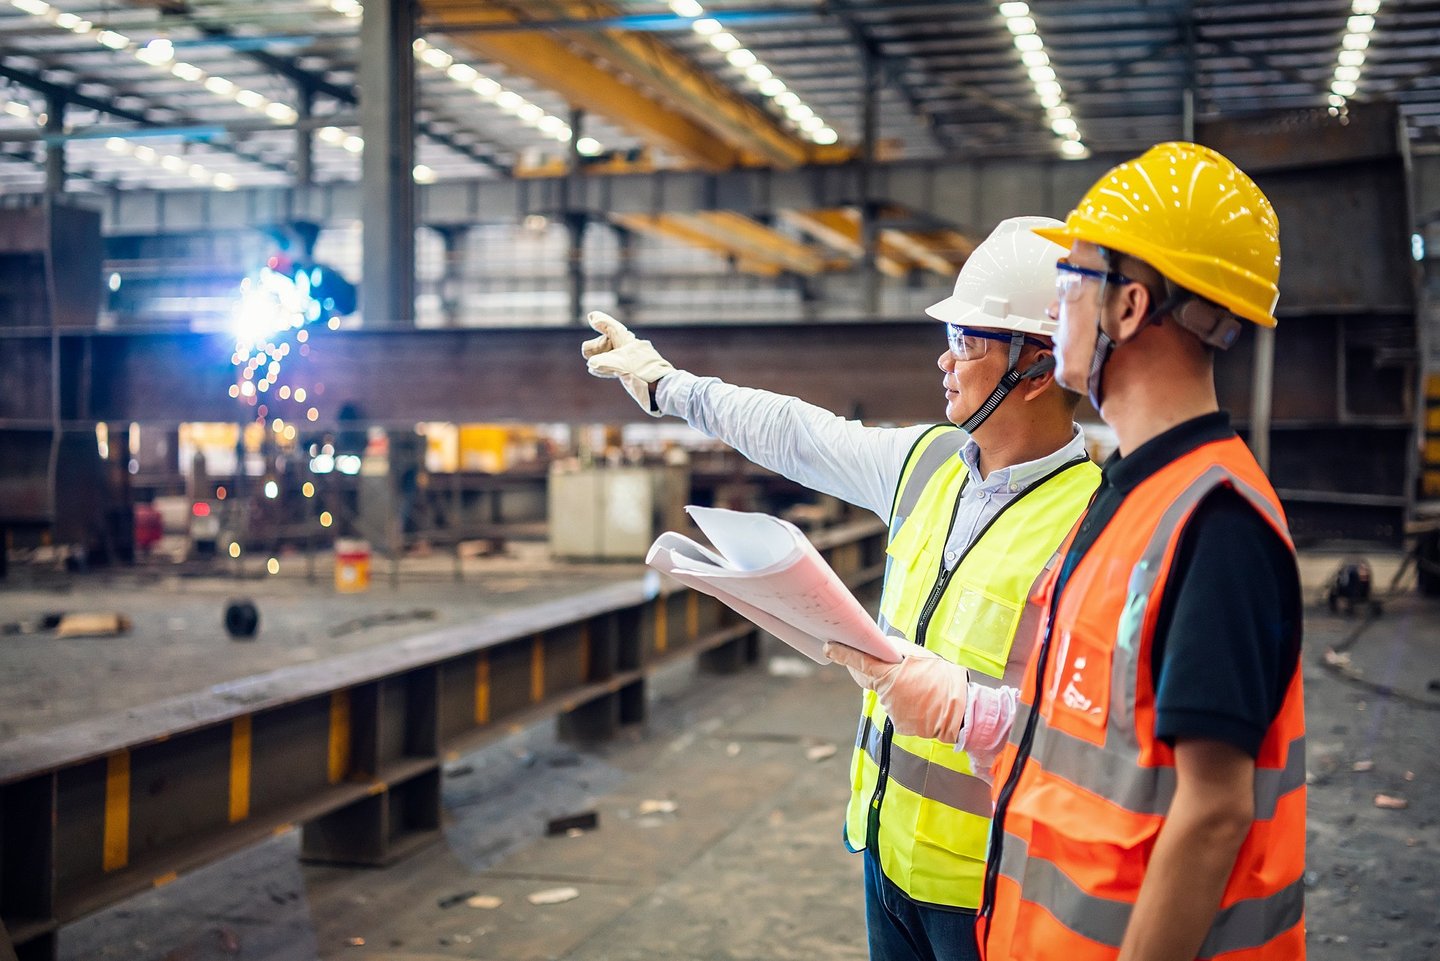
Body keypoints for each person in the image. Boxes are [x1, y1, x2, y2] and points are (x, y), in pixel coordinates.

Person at [828, 142, 1307, 961]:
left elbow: (1213, 811)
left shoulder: (1215, 523)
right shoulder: (1125, 493)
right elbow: (1097, 741)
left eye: (1072, 281)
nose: (1055, 311)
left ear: (1129, 306)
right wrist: (971, 712)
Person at [583, 217, 1101, 961]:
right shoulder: (927, 463)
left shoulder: (1094, 522)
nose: (944, 359)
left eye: (966, 342)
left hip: (993, 886)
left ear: (1038, 369)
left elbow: (1099, 735)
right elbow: (798, 433)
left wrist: (967, 709)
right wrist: (667, 385)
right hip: (885, 852)